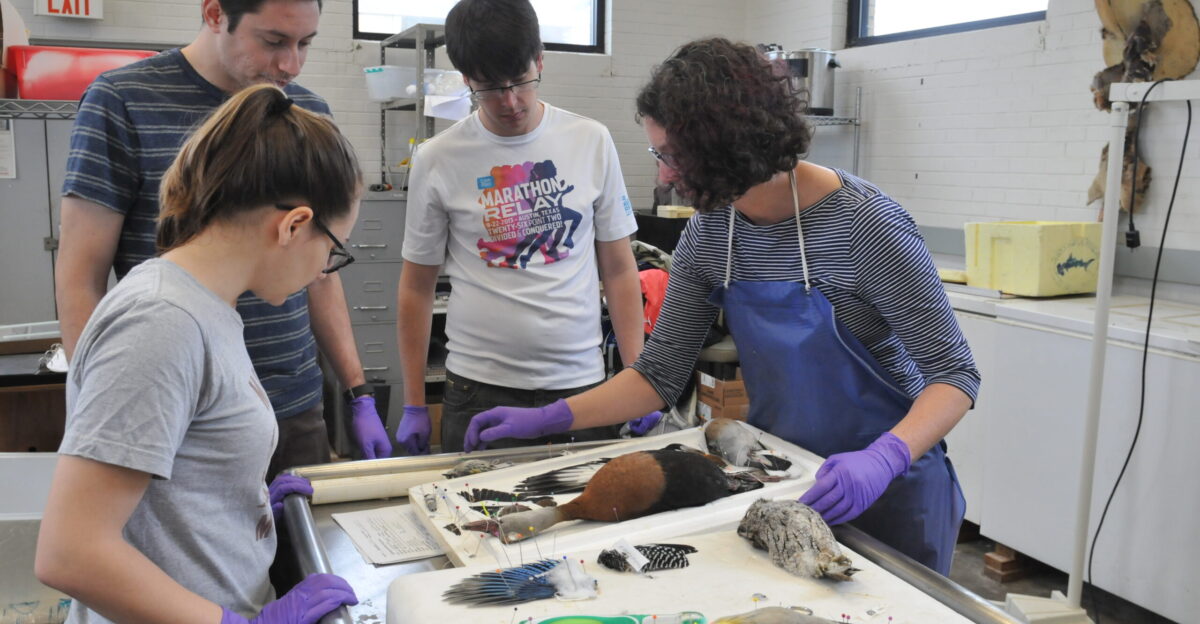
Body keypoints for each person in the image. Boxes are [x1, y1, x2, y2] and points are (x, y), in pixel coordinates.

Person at [464, 38, 980, 576]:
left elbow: (955, 376)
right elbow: (660, 373)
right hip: (788, 480)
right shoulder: (712, 233)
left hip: (891, 492)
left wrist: (884, 459)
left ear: (724, 145)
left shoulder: (865, 225)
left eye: (670, 156)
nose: (664, 175)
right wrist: (551, 416)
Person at [35, 84, 360, 624]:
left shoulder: (207, 305)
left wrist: (244, 500)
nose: (323, 272)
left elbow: (173, 480)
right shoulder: (161, 323)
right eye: (333, 251)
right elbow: (70, 552)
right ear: (294, 224)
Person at [54, 0, 391, 473]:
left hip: (289, 400)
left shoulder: (306, 111)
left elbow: (320, 270)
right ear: (215, 14)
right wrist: (101, 411)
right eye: (273, 41)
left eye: (305, 44)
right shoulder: (123, 100)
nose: (290, 65)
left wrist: (358, 392)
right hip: (182, 407)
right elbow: (79, 276)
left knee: (294, 545)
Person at [394, 0, 658, 455]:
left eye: (520, 81)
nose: (510, 101)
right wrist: (415, 401)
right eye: (491, 88)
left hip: (581, 387)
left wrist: (638, 377)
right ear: (466, 79)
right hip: (479, 388)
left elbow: (618, 269)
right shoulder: (438, 158)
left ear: (540, 61)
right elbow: (416, 287)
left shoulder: (590, 140)